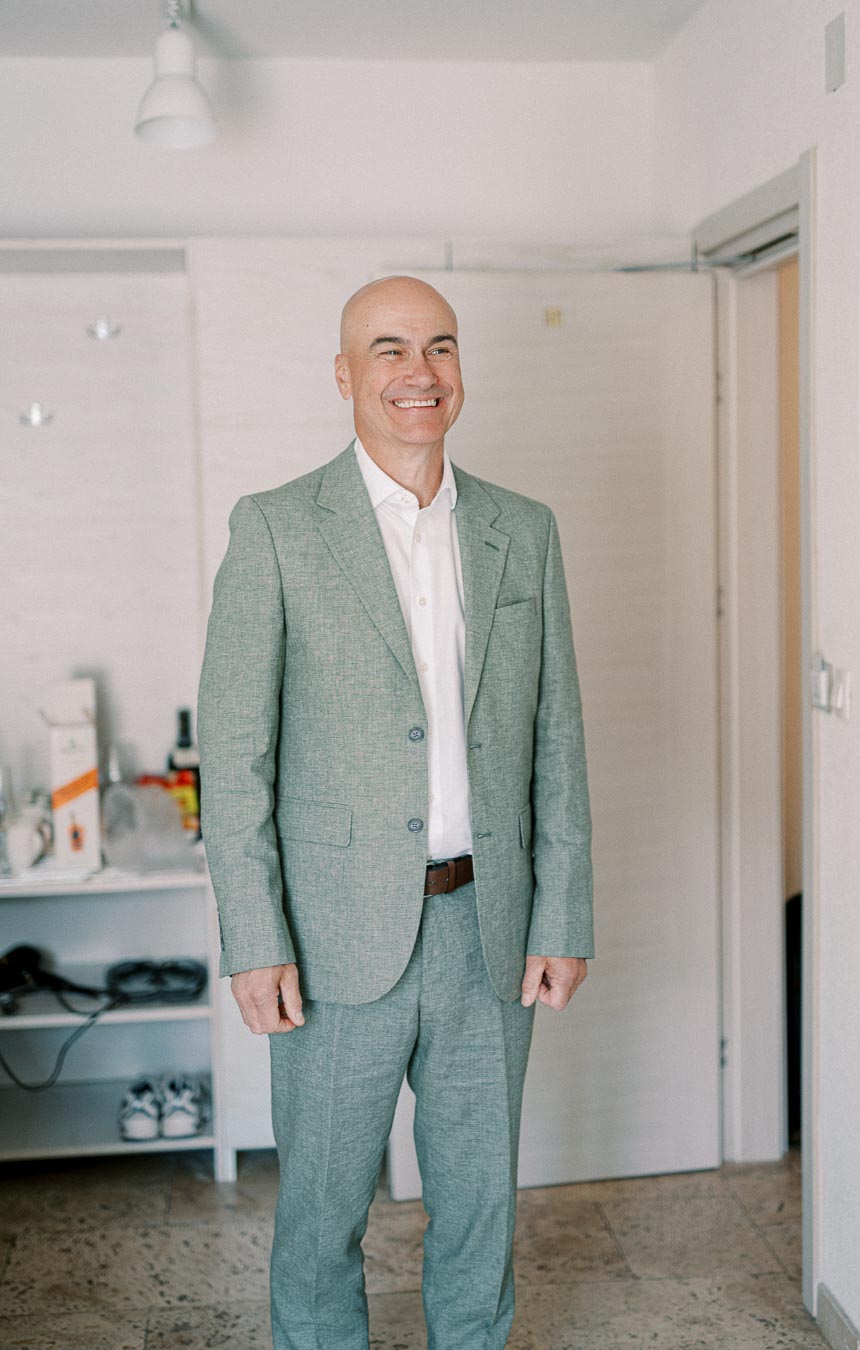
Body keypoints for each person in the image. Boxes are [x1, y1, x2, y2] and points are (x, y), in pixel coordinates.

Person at [197, 275, 594, 1349]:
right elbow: (235, 762)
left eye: (439, 347)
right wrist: (254, 942)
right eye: (388, 349)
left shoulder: (525, 530)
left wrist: (563, 916)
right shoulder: (275, 530)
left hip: (488, 936)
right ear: (345, 376)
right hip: (332, 945)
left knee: (479, 1219)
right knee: (322, 1220)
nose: (418, 372)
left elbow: (556, 739)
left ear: (459, 370)